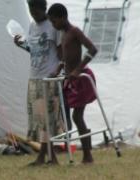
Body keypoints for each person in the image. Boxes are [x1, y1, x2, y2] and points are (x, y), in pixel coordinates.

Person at [48, 3, 98, 164]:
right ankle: (85, 155)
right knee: (72, 117)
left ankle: (88, 156)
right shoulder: (63, 34)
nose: (53, 25)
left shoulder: (74, 31)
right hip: (70, 80)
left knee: (77, 116)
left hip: (81, 79)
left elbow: (92, 49)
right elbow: (65, 57)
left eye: (54, 21)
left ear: (62, 17)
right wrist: (59, 69)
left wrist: (78, 69)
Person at [14, 0, 62, 165]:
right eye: (30, 8)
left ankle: (47, 157)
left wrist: (59, 71)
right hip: (34, 77)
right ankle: (47, 157)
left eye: (35, 8)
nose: (33, 12)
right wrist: (22, 45)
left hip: (49, 78)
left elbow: (61, 52)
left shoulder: (53, 25)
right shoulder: (33, 26)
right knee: (38, 121)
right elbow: (34, 51)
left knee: (48, 120)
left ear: (43, 8)